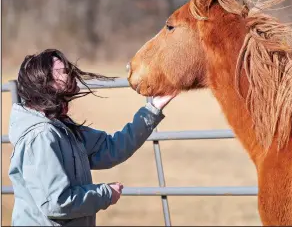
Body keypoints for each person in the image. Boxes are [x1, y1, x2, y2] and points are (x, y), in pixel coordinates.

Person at [8, 49, 176, 226]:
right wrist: (105, 194)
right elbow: (56, 202)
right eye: (64, 71)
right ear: (44, 82)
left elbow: (111, 148)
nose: (71, 75)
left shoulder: (61, 127)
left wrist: (153, 108)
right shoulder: (41, 136)